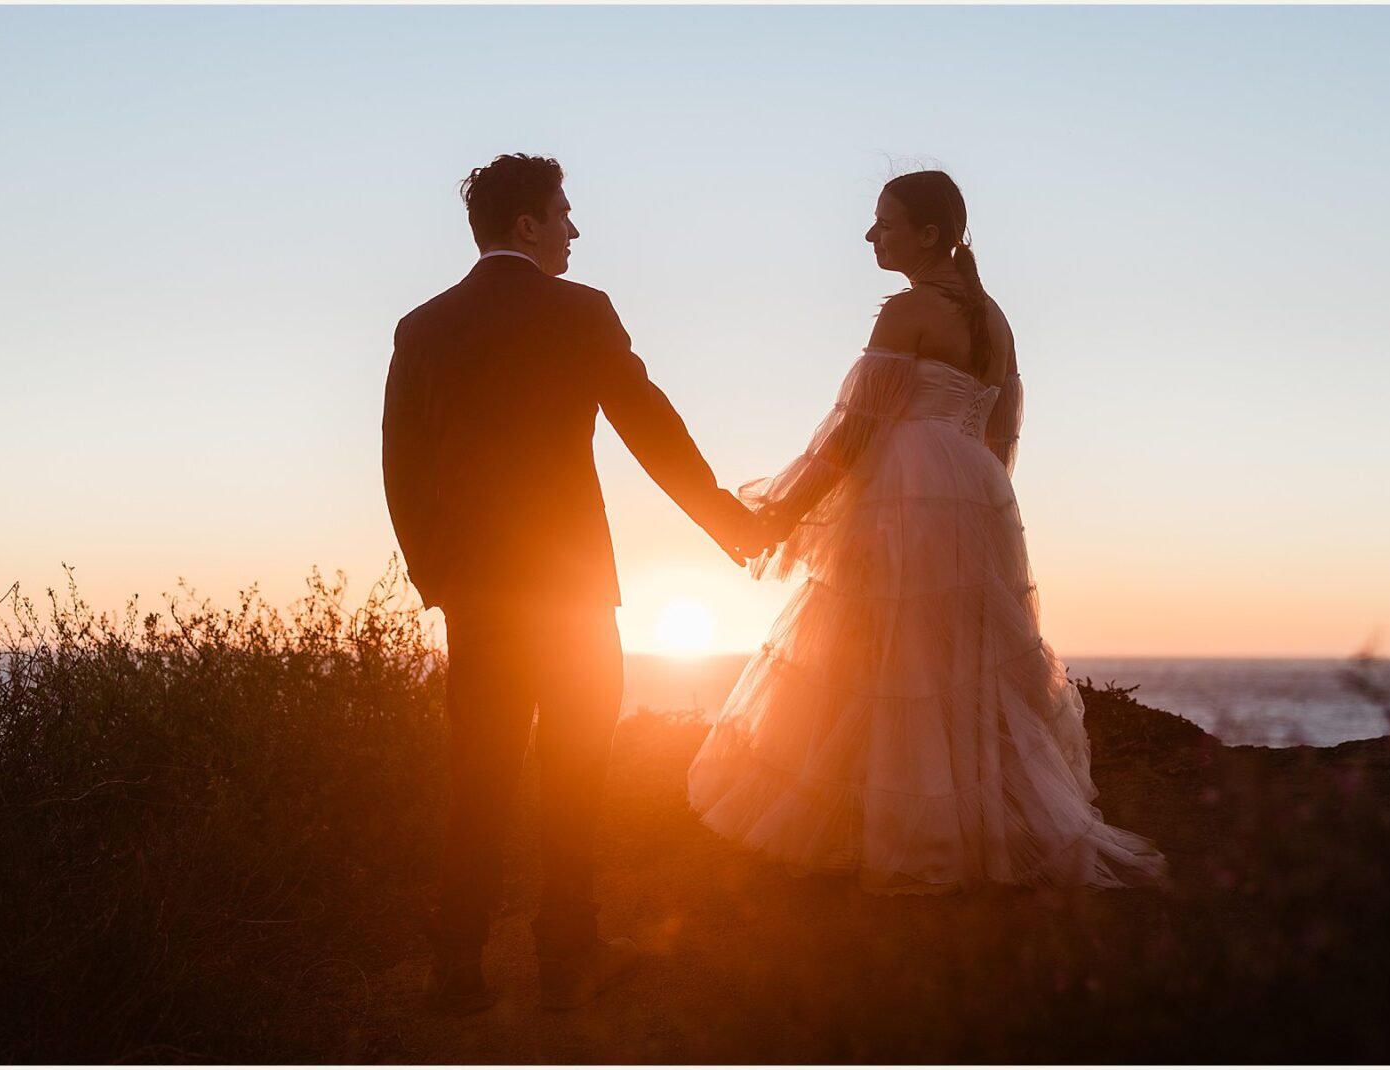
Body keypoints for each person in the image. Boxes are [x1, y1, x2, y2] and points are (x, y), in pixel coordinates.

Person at [687, 170, 1171, 896]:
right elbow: (1001, 431)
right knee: (957, 658)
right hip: (977, 493)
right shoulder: (994, 317)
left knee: (886, 655)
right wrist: (980, 499)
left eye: (883, 222)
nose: (870, 234)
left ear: (930, 234)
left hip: (911, 494)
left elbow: (851, 434)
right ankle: (971, 827)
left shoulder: (907, 312)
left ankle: (904, 831)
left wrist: (785, 511)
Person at [382, 153, 765, 1014]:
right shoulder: (580, 312)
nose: (573, 231)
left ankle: (456, 972)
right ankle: (567, 956)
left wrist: (439, 578)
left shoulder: (422, 326)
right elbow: (652, 429)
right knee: (576, 773)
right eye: (563, 214)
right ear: (527, 225)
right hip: (573, 593)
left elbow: (400, 472)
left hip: (478, 597)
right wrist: (731, 526)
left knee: (476, 780)